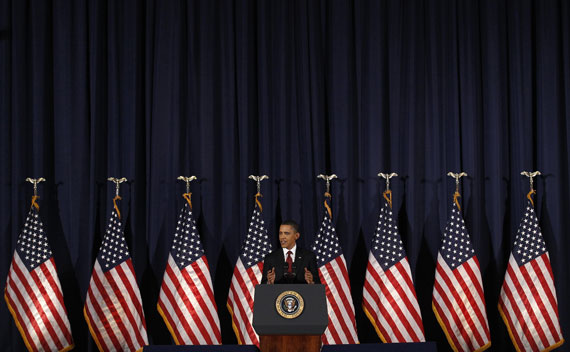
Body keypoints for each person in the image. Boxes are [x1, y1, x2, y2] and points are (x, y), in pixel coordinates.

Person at [261, 220, 320, 285]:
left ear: (296, 236)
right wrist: (269, 283)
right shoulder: (270, 258)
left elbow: (317, 285)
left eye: (286, 233)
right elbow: (263, 286)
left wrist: (311, 282)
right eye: (280, 233)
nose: (282, 237)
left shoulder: (308, 256)